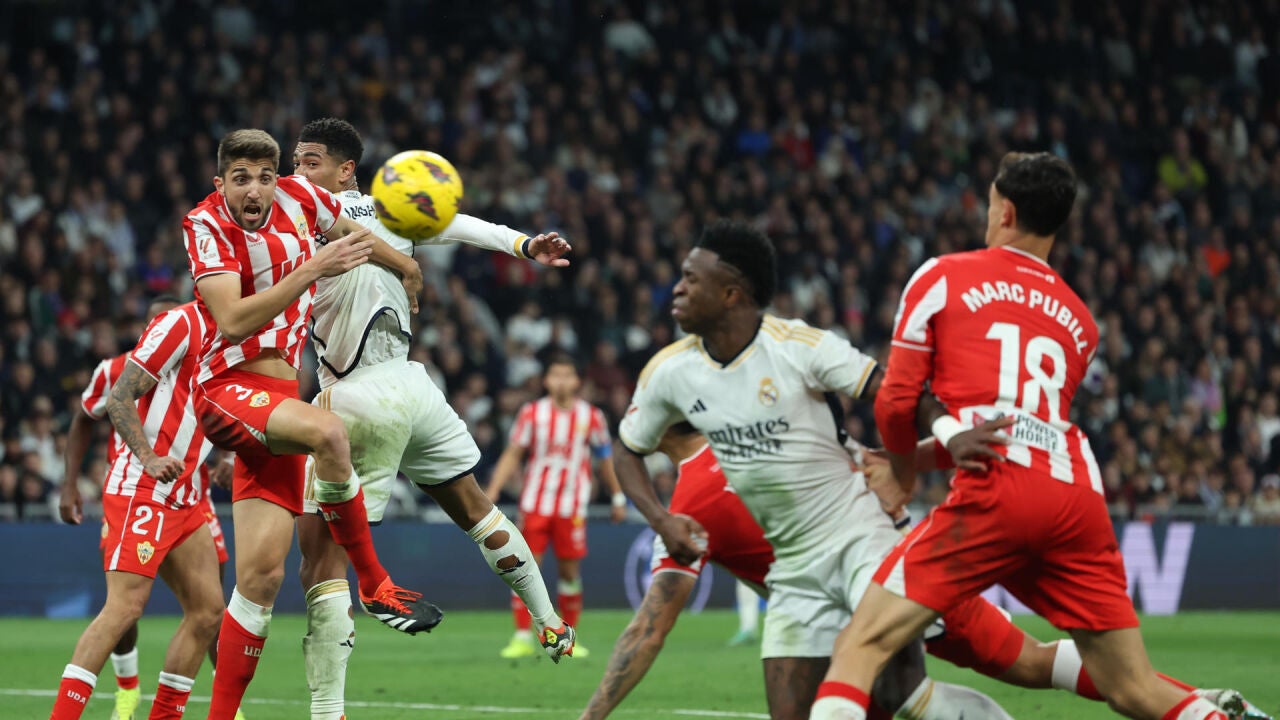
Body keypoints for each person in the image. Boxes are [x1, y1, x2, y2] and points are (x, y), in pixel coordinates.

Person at [811, 153, 1239, 720]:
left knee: (860, 646)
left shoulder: (941, 276)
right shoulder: (1081, 322)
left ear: (1006, 212)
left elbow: (896, 399)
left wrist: (902, 472)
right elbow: (1015, 428)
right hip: (1075, 496)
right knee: (1135, 688)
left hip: (998, 493)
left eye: (990, 205)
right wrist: (915, 459)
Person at [580, 421, 1266, 720]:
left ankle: (1183, 705)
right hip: (913, 562)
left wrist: (592, 716)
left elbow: (648, 629)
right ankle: (1193, 703)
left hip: (880, 600)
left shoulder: (690, 504)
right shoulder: (785, 435)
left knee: (907, 698)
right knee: (1031, 662)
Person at [613, 219, 1008, 720]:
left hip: (862, 539)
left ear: (731, 294)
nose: (677, 287)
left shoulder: (798, 345)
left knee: (908, 696)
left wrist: (949, 433)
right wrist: (659, 518)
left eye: (691, 278)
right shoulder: (670, 372)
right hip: (795, 568)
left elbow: (895, 392)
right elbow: (626, 449)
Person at [289, 118, 577, 719]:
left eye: (311, 161)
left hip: (356, 397)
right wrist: (526, 245)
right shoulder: (395, 211)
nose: (298, 172)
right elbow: (460, 225)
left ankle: (326, 711)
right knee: (477, 508)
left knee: (320, 562)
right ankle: (551, 621)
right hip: (416, 388)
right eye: (296, 161)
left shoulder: (306, 212)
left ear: (346, 169)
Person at [184, 128, 437, 720]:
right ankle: (373, 581)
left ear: (279, 179)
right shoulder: (204, 223)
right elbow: (231, 321)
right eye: (240, 179)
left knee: (261, 581)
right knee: (329, 432)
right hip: (226, 387)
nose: (254, 190)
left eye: (265, 177)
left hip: (277, 403)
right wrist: (312, 267)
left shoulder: (302, 198)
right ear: (221, 183)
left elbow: (354, 234)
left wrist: (406, 266)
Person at [59, 296, 242, 720]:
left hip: (189, 494)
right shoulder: (117, 368)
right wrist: (71, 485)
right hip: (140, 486)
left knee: (209, 610)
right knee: (124, 608)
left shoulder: (221, 349)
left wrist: (230, 458)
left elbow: (214, 415)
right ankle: (119, 693)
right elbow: (90, 415)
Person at [486, 352, 627, 660]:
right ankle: (522, 636)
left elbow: (604, 459)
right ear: (546, 380)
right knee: (524, 567)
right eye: (556, 375)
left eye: (567, 375)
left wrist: (617, 495)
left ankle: (569, 637)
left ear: (577, 381)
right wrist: (494, 488)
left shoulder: (592, 417)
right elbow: (513, 453)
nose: (561, 381)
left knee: (569, 572)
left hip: (571, 507)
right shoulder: (532, 413)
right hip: (535, 503)